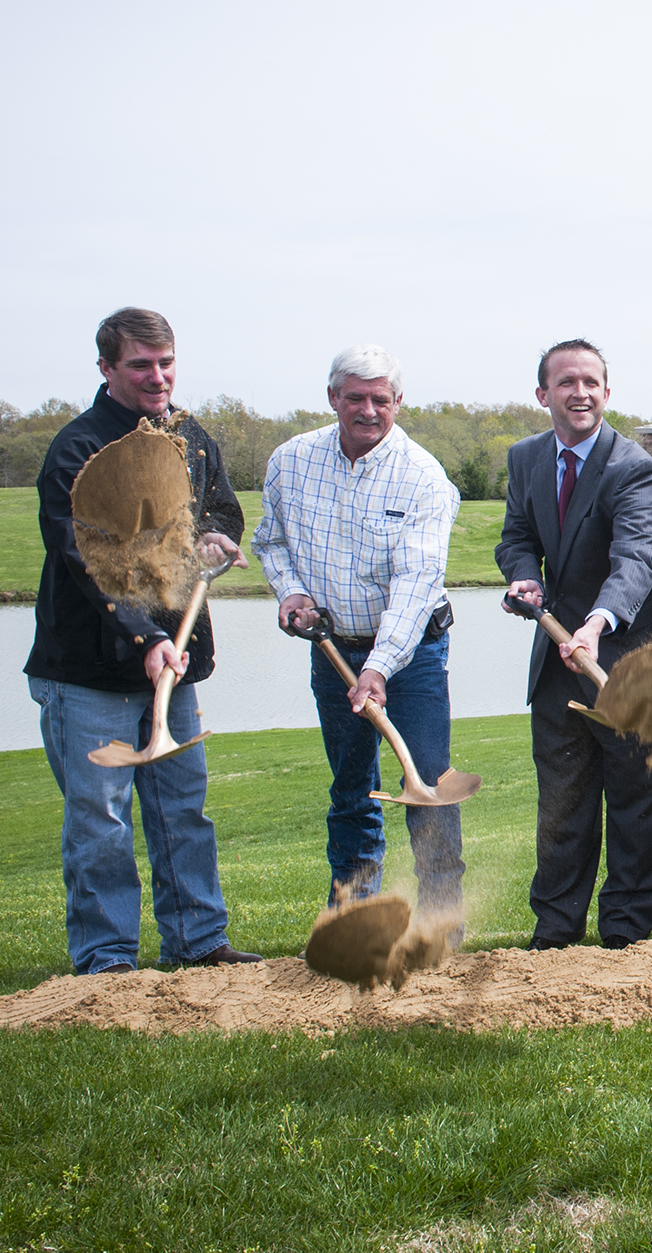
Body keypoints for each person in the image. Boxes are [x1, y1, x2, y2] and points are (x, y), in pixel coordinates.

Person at [24, 306, 260, 974]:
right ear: (106, 368)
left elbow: (220, 508)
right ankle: (107, 958)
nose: (158, 377)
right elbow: (83, 557)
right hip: (90, 671)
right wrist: (145, 636)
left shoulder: (189, 436)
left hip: (174, 668)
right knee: (101, 821)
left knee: (182, 808)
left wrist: (216, 537)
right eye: (140, 365)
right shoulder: (77, 450)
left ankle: (197, 941)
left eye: (166, 362)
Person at [253, 345, 465, 930]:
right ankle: (353, 913)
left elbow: (416, 582)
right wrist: (290, 592)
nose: (368, 410)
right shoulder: (291, 461)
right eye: (355, 397)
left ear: (399, 402)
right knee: (351, 788)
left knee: (426, 782)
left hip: (412, 650)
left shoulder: (423, 477)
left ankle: (443, 921)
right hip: (332, 647)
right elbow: (269, 542)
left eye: (381, 399)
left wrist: (379, 667)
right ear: (333, 399)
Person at [496, 338, 652, 951]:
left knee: (635, 802)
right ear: (543, 394)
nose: (581, 393)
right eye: (567, 382)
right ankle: (556, 933)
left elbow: (638, 557)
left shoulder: (633, 467)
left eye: (592, 382)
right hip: (555, 664)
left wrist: (598, 623)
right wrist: (522, 574)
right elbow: (516, 534)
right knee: (563, 805)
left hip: (625, 658)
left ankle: (625, 934)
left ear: (606, 391)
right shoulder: (525, 459)